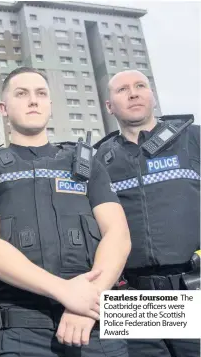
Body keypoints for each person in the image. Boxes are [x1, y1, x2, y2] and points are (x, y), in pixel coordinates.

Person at [0, 67, 132, 356]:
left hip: (96, 323)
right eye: (22, 93)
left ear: (50, 105)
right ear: (4, 108)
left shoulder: (87, 165)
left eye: (41, 94)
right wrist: (66, 292)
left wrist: (86, 303)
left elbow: (119, 235)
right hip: (22, 331)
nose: (33, 101)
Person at [93, 70, 200, 357]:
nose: (133, 93)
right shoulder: (97, 160)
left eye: (140, 86)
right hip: (129, 294)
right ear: (109, 106)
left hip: (193, 286)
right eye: (122, 89)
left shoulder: (194, 138)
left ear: (152, 95)